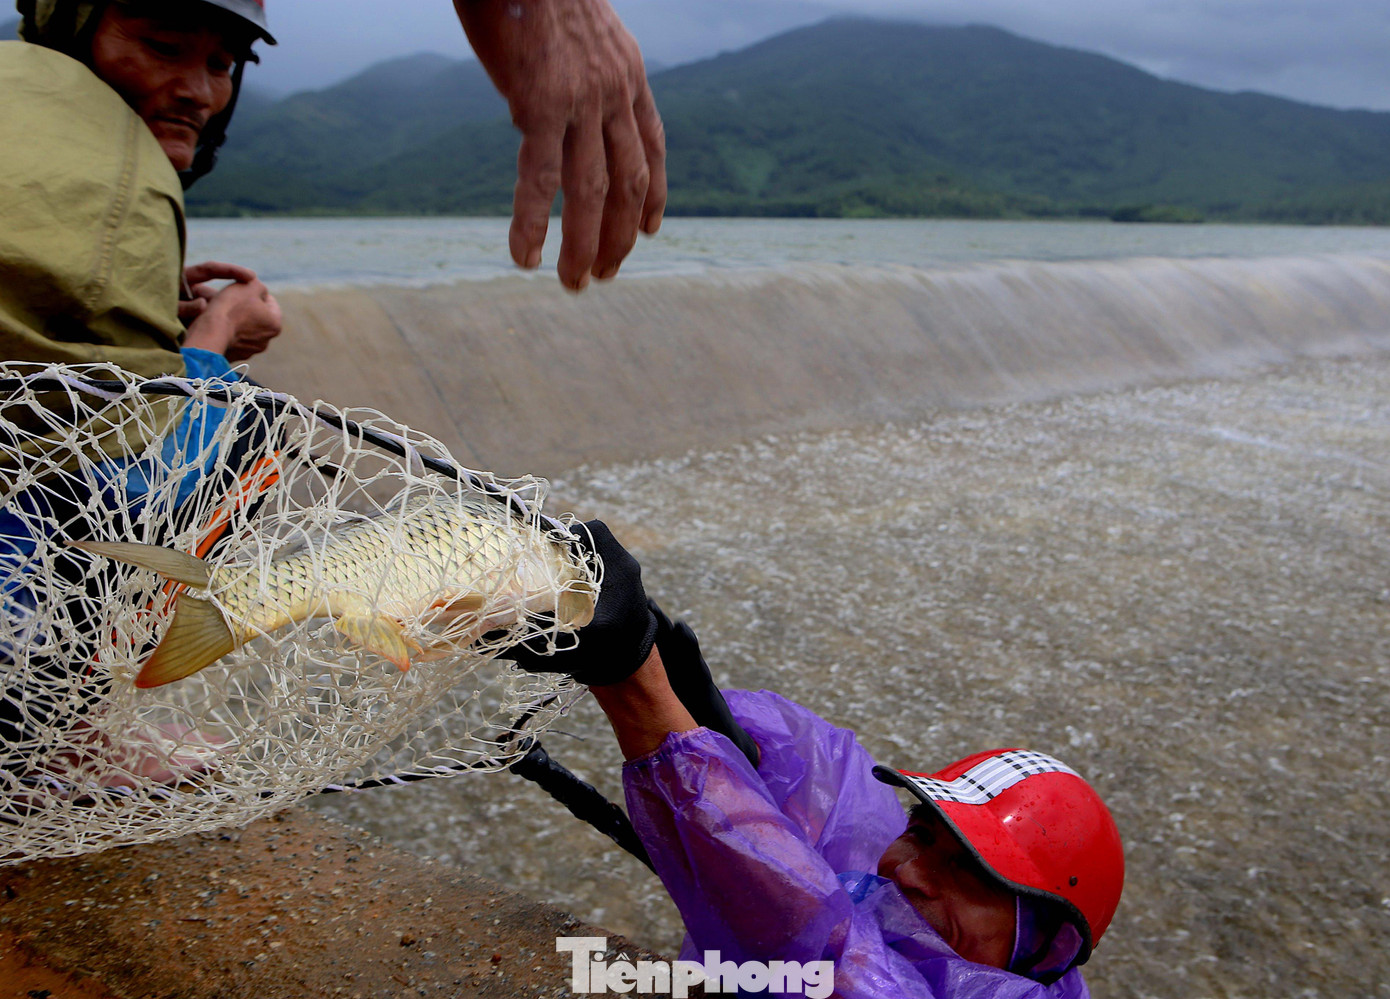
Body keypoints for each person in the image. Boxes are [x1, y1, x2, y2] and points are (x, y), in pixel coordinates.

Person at [510, 524, 1126, 998]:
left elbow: (816, 950)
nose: (909, 871)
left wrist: (637, 691)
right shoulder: (917, 911)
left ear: (1047, 944)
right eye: (922, 832)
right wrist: (732, 744)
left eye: (969, 871)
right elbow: (830, 789)